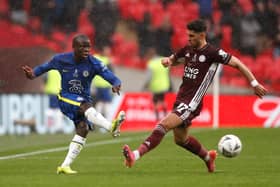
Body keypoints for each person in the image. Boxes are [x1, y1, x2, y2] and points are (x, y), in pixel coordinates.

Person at [122, 19, 267, 172]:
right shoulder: (187, 49)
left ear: (202, 35)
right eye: (187, 35)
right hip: (181, 98)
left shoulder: (213, 53)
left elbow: (237, 63)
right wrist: (169, 61)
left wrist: (254, 84)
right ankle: (207, 157)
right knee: (181, 139)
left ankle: (135, 156)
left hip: (192, 102)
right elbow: (176, 59)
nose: (188, 39)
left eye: (192, 36)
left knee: (163, 125)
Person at [22, 34, 126, 174]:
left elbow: (107, 73)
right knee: (85, 106)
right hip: (66, 98)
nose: (86, 49)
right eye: (83, 46)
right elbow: (44, 68)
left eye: (88, 46)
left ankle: (65, 166)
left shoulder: (94, 62)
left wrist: (115, 83)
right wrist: (32, 74)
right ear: (74, 47)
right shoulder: (61, 59)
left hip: (84, 99)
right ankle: (110, 127)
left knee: (83, 129)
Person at [143, 47, 172, 121]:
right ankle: (165, 116)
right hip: (164, 85)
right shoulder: (164, 60)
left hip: (155, 86)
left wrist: (145, 86)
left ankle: (157, 118)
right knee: (162, 100)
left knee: (155, 102)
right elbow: (168, 73)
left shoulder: (151, 63)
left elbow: (148, 77)